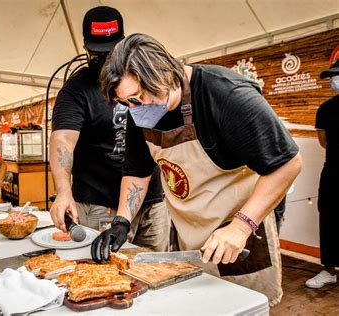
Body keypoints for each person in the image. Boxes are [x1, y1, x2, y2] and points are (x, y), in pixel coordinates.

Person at [93, 33, 302, 305]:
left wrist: (241, 227)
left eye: (139, 96)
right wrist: (122, 222)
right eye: (128, 102)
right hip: (189, 234)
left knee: (240, 308)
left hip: (239, 233)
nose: (135, 107)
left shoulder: (226, 94)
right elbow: (137, 170)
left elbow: (288, 163)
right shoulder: (140, 112)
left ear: (164, 72)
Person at [49, 7, 170, 252]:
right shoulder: (76, 89)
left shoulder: (140, 78)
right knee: (104, 276)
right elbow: (62, 140)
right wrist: (63, 191)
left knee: (156, 272)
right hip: (100, 205)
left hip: (152, 200)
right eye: (98, 52)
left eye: (112, 50)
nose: (104, 58)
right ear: (86, 48)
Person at [305, 60, 339, 288]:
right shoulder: (326, 109)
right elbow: (324, 142)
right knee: (329, 218)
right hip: (334, 173)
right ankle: (329, 270)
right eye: (331, 78)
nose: (333, 81)